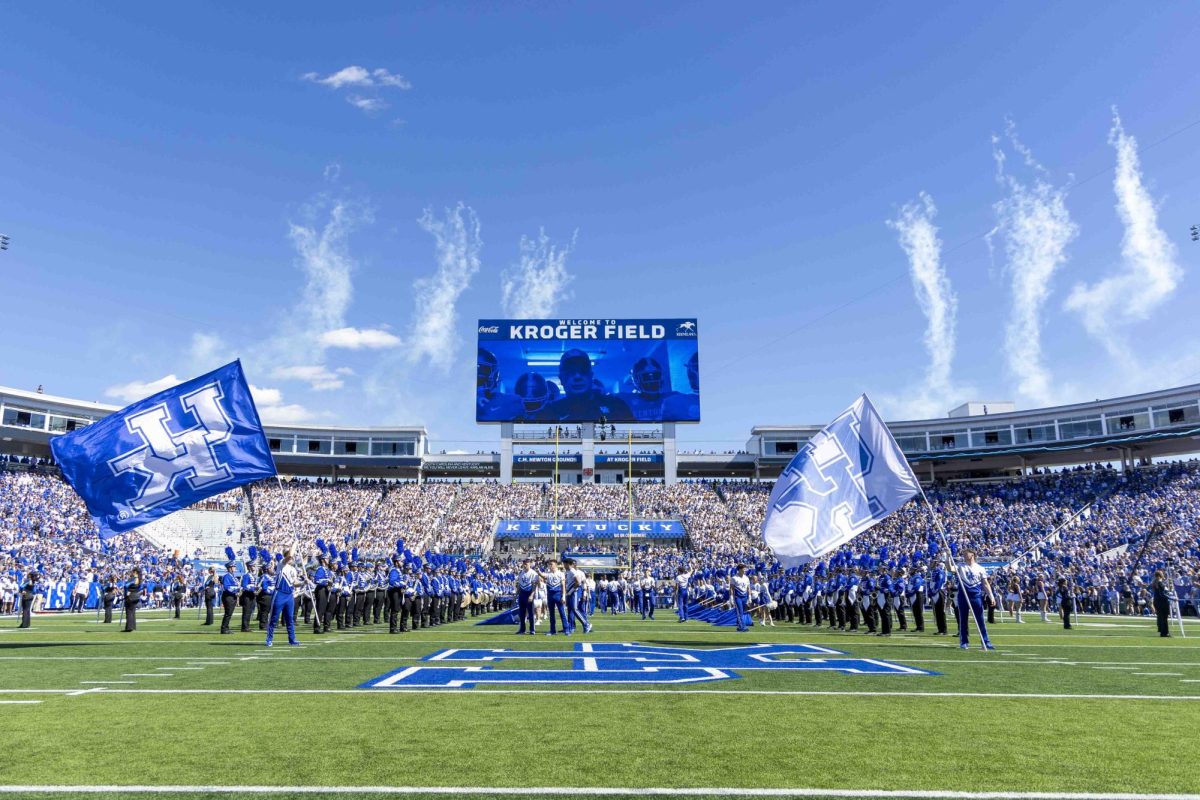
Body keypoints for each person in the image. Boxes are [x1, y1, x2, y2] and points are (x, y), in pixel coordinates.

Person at [541, 349, 634, 422]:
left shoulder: (616, 406)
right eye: (570, 372)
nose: (577, 376)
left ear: (591, 376)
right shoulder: (550, 412)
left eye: (583, 370)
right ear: (561, 379)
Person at [954, 550, 995, 651]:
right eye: (963, 554)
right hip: (963, 595)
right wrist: (947, 557)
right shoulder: (960, 566)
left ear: (972, 555)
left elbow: (985, 583)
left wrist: (991, 595)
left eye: (966, 554)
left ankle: (985, 641)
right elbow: (950, 568)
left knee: (980, 619)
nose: (964, 555)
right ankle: (964, 642)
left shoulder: (980, 568)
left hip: (976, 595)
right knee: (963, 619)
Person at [265, 549, 301, 647]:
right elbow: (289, 557)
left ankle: (292, 639)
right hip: (279, 594)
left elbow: (295, 583)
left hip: (289, 595)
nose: (292, 558)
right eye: (291, 556)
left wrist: (303, 582)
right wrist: (295, 543)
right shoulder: (281, 563)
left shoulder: (293, 569)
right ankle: (269, 639)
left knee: (290, 618)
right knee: (274, 618)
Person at [540, 560, 568, 636]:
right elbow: (542, 575)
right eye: (549, 564)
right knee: (551, 614)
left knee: (562, 613)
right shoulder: (548, 574)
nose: (550, 566)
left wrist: (563, 596)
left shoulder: (561, 574)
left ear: (555, 565)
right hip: (550, 595)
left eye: (551, 564)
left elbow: (563, 585)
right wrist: (538, 571)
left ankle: (566, 629)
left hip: (558, 595)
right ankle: (553, 630)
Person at [515, 558, 538, 635]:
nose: (525, 565)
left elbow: (534, 586)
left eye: (526, 564)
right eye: (524, 564)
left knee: (531, 613)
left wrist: (532, 595)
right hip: (522, 594)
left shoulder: (533, 573)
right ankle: (522, 629)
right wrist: (516, 594)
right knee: (522, 613)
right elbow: (519, 585)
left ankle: (532, 629)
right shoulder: (521, 573)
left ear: (530, 564)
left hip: (529, 593)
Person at [1152, 570, 1174, 638]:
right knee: (1164, 618)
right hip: (1162, 602)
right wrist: (1171, 598)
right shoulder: (1160, 583)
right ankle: (1165, 632)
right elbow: (1162, 594)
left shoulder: (1155, 582)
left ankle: (1162, 631)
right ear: (1160, 576)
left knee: (1160, 617)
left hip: (1157, 601)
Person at [219, 562, 239, 635]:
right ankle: (224, 628)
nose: (235, 568)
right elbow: (227, 587)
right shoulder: (227, 576)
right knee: (228, 613)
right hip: (228, 596)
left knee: (229, 613)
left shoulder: (233, 576)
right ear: (230, 568)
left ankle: (226, 628)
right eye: (234, 566)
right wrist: (237, 589)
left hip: (232, 596)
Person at [730, 564, 751, 632]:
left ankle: (739, 625)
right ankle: (742, 627)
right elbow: (731, 589)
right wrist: (731, 598)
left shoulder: (746, 578)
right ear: (739, 569)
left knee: (742, 612)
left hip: (744, 597)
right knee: (740, 612)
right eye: (743, 569)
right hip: (737, 597)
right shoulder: (734, 578)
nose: (745, 570)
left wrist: (749, 597)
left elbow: (748, 588)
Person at [123, 568, 143, 633]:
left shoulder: (133, 579)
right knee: (133, 612)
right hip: (136, 595)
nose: (131, 573)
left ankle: (129, 627)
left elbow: (126, 586)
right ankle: (133, 626)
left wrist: (126, 593)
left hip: (130, 595)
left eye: (132, 572)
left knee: (129, 612)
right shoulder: (140, 579)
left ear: (135, 572)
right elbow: (140, 588)